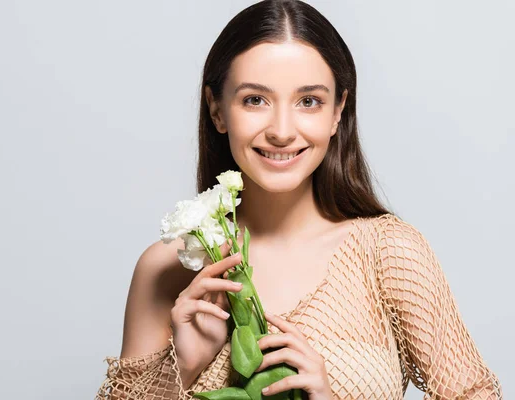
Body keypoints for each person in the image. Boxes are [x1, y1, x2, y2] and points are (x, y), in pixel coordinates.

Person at [94, 0, 502, 398]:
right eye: (255, 99)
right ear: (217, 110)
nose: (282, 131)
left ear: (337, 111)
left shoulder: (387, 253)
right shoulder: (168, 267)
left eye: (309, 101)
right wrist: (184, 367)